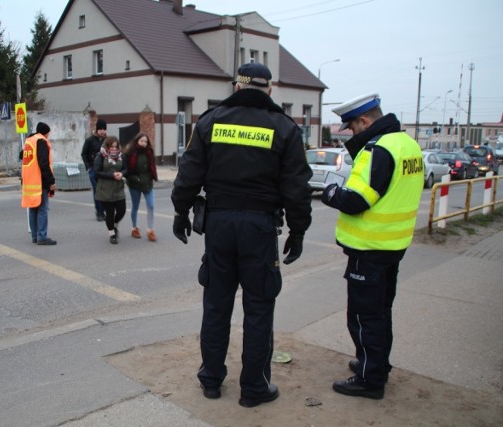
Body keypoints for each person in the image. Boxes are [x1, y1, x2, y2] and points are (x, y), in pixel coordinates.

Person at [170, 63, 312, 408]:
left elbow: (189, 173)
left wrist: (181, 211)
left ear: (237, 86)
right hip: (259, 228)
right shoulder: (284, 127)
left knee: (217, 305)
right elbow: (296, 188)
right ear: (270, 89)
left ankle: (211, 381)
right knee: (259, 308)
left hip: (218, 224)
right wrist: (298, 230)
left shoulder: (210, 121)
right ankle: (254, 389)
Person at [322, 93, 424, 399]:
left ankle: (370, 379)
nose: (353, 134)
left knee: (364, 315)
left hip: (370, 248)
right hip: (393, 244)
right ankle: (377, 364)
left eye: (352, 128)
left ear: (364, 121)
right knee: (380, 311)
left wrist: (329, 193)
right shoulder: (408, 145)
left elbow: (356, 200)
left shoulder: (377, 149)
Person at [21, 122, 57, 245]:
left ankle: (35, 236)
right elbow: (44, 164)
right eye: (48, 133)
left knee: (33, 209)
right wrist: (51, 181)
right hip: (39, 181)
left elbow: (22, 155)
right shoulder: (41, 141)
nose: (48, 135)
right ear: (45, 132)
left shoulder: (29, 141)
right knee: (42, 209)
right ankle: (42, 236)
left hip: (29, 182)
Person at [124, 132, 158, 242]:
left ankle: (150, 230)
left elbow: (152, 167)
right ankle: (134, 228)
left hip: (147, 183)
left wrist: (151, 177)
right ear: (137, 141)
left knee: (151, 205)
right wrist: (135, 179)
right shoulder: (131, 153)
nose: (144, 143)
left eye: (145, 141)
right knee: (135, 206)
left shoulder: (149, 152)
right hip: (135, 184)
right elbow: (127, 171)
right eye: (141, 141)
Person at [94, 136, 127, 244]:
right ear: (107, 146)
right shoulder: (101, 156)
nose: (114, 149)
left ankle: (114, 224)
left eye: (116, 147)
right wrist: (112, 175)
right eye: (111, 147)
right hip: (105, 189)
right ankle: (112, 234)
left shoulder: (121, 156)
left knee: (122, 210)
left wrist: (122, 173)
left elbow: (126, 169)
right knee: (110, 213)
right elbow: (97, 171)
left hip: (118, 188)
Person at [81, 119, 108, 221]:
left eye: (104, 129)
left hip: (105, 170)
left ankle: (104, 211)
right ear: (97, 129)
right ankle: (99, 212)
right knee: (97, 191)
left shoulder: (107, 140)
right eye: (100, 129)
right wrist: (88, 167)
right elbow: (84, 154)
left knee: (105, 191)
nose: (102, 131)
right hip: (93, 169)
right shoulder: (90, 140)